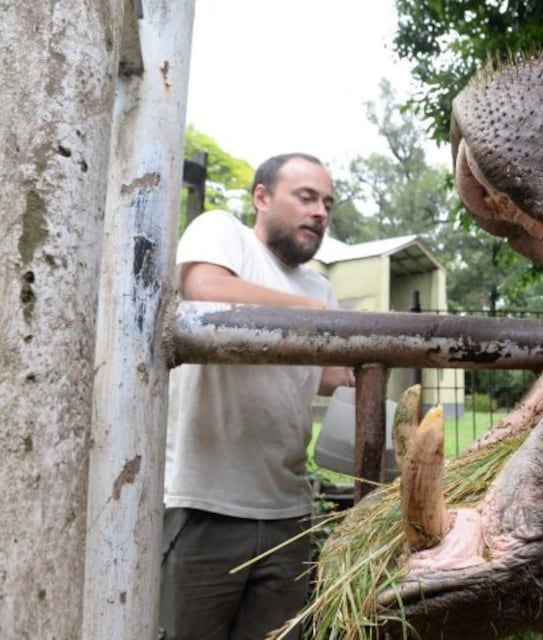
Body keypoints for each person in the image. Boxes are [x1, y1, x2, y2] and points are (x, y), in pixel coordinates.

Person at [161, 152, 355, 639]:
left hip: (288, 512)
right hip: (203, 504)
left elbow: (331, 376)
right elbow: (203, 287)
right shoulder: (223, 234)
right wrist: (314, 315)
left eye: (328, 204)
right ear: (262, 197)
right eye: (306, 197)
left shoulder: (319, 285)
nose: (321, 213)